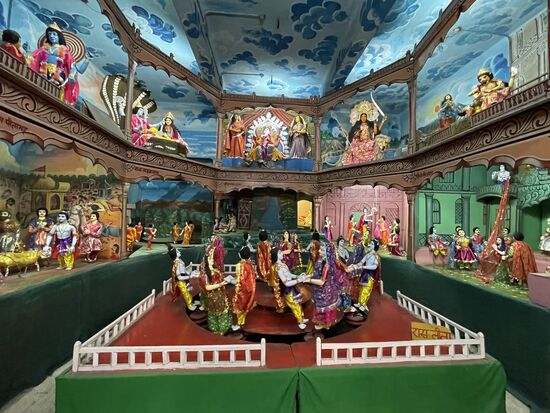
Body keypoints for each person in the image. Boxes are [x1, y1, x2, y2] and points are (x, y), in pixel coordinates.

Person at [29, 23, 79, 105]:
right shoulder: (43, 49)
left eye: (54, 34)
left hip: (57, 78)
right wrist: (28, 55)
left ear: (59, 36)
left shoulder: (65, 51)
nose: (51, 36)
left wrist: (72, 74)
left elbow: (72, 66)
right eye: (49, 34)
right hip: (43, 75)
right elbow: (34, 58)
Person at [198, 237, 231, 335]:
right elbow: (207, 287)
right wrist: (220, 284)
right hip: (213, 296)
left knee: (220, 313)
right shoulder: (205, 274)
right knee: (215, 314)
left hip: (219, 295)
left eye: (212, 257)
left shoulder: (215, 270)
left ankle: (222, 331)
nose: (211, 259)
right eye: (209, 257)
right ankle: (217, 331)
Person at [306, 243, 340, 330]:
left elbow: (321, 282)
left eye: (322, 250)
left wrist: (308, 280)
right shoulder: (320, 261)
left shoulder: (326, 266)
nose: (319, 251)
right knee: (321, 307)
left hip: (324, 290)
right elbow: (316, 274)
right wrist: (308, 276)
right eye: (320, 249)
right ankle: (325, 322)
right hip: (319, 289)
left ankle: (325, 323)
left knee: (323, 308)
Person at [272, 248, 308, 330]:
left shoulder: (283, 264)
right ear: (275, 256)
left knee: (298, 303)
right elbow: (286, 283)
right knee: (295, 306)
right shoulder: (278, 268)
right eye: (280, 253)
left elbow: (289, 275)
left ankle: (302, 319)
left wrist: (297, 276)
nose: (282, 253)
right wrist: (298, 280)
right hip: (288, 290)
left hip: (293, 287)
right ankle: (300, 322)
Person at [349, 239, 380, 312]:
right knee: (361, 289)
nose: (370, 245)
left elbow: (375, 267)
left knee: (366, 290)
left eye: (372, 244)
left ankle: (363, 305)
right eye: (370, 243)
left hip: (370, 275)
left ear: (375, 246)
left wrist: (363, 267)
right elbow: (361, 262)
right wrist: (355, 265)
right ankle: (359, 303)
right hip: (364, 274)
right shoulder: (367, 254)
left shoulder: (376, 256)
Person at [232, 246, 256, 331]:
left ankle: (239, 324)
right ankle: (242, 322)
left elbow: (239, 279)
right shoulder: (250, 264)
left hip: (243, 289)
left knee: (240, 305)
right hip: (250, 288)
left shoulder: (240, 265)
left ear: (240, 255)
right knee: (246, 304)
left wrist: (234, 284)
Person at [169, 246, 196, 311]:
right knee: (185, 292)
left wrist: (188, 273)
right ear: (175, 254)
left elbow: (183, 270)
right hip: (180, 281)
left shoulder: (180, 261)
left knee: (188, 291)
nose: (180, 252)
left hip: (184, 277)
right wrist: (189, 276)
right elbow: (179, 277)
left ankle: (191, 302)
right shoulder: (177, 264)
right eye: (178, 252)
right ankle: (189, 305)